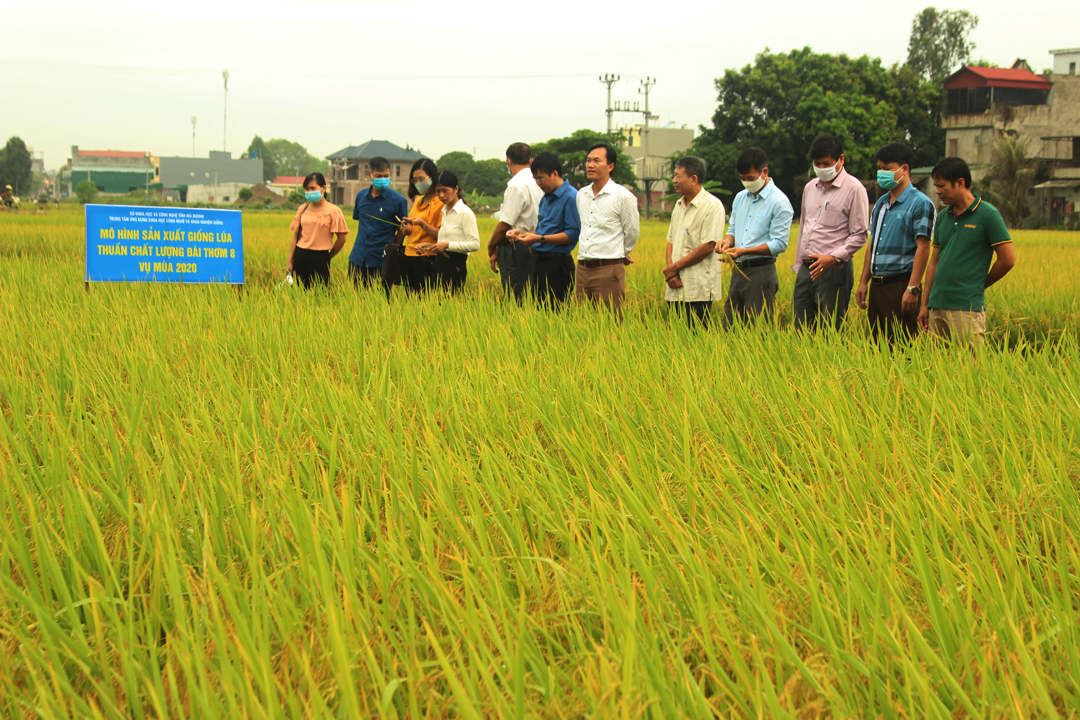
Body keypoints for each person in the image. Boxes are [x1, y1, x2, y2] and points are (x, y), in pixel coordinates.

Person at [918, 157, 1015, 348]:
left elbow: (1008, 260)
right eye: (936, 186)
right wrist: (925, 305)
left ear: (960, 183)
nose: (937, 191)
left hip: (966, 307)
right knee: (937, 369)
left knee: (968, 369)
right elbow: (934, 262)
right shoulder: (943, 217)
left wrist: (980, 284)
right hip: (937, 305)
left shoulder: (988, 215)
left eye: (942, 186)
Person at [855, 142, 936, 343]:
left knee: (903, 346)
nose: (881, 173)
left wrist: (913, 288)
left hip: (900, 285)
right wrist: (864, 281)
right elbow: (872, 246)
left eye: (887, 169)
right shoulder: (881, 203)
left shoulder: (920, 203)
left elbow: (923, 248)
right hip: (877, 285)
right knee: (877, 346)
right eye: (879, 169)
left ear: (904, 169)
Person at [791, 134, 869, 331]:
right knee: (800, 328)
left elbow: (860, 234)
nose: (822, 168)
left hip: (833, 270)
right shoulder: (810, 187)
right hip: (806, 269)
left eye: (827, 163)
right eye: (817, 164)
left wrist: (833, 258)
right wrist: (799, 264)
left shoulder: (854, 189)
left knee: (831, 330)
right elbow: (804, 228)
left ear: (840, 160)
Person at [718, 148, 793, 326]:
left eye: (750, 178)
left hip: (761, 272)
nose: (746, 182)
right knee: (731, 325)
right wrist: (726, 242)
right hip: (738, 271)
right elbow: (734, 229)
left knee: (760, 329)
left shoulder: (779, 202)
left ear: (764, 172)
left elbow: (779, 244)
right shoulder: (740, 198)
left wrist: (744, 251)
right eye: (742, 178)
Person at [506, 152, 580, 309]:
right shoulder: (546, 197)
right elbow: (541, 231)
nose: (538, 183)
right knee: (540, 313)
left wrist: (538, 239)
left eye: (540, 178)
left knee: (557, 313)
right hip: (539, 263)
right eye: (535, 179)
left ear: (554, 174)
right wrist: (522, 233)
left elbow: (572, 234)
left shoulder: (571, 197)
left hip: (558, 265)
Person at [575, 143, 640, 316]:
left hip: (608, 270)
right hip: (582, 268)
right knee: (582, 323)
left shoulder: (623, 196)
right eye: (588, 161)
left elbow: (632, 232)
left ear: (610, 166)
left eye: (597, 160)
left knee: (610, 324)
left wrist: (620, 254)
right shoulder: (581, 194)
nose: (590, 165)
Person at [662, 156, 726, 328]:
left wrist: (675, 268)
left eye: (677, 176)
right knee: (673, 339)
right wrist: (671, 272)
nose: (674, 180)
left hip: (698, 289)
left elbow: (707, 247)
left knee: (696, 343)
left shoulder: (712, 206)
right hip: (675, 286)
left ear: (693, 179)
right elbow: (671, 240)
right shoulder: (678, 205)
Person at [487, 142, 543, 302]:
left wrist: (491, 246)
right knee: (531, 294)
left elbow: (504, 224)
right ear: (531, 161)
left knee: (516, 297)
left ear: (508, 161)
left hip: (516, 248)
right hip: (537, 242)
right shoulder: (539, 182)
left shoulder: (516, 186)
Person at [348, 156, 408, 290]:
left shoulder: (399, 201)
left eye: (386, 175)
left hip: (382, 261)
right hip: (358, 258)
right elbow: (361, 223)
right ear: (370, 175)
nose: (383, 179)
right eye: (378, 175)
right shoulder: (361, 196)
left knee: (381, 302)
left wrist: (391, 249)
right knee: (354, 301)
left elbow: (401, 230)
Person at [415, 170, 479, 294]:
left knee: (450, 306)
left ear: (456, 188)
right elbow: (443, 239)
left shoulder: (465, 213)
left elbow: (475, 244)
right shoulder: (445, 211)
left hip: (455, 266)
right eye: (438, 191)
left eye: (445, 190)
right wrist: (429, 246)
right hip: (439, 264)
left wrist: (448, 245)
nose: (441, 195)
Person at [286, 172, 348, 289]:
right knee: (298, 293)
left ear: (323, 188)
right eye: (307, 189)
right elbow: (295, 237)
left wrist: (328, 257)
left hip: (321, 258)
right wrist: (289, 261)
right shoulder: (302, 209)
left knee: (320, 294)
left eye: (313, 188)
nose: (310, 191)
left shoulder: (334, 211)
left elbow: (342, 239)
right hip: (300, 256)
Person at [398, 158, 443, 294]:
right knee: (410, 300)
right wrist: (406, 230)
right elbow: (413, 227)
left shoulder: (440, 202)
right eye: (415, 180)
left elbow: (441, 235)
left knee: (425, 300)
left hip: (427, 257)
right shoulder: (418, 201)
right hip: (409, 255)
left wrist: (423, 225)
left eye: (421, 178)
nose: (418, 183)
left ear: (432, 177)